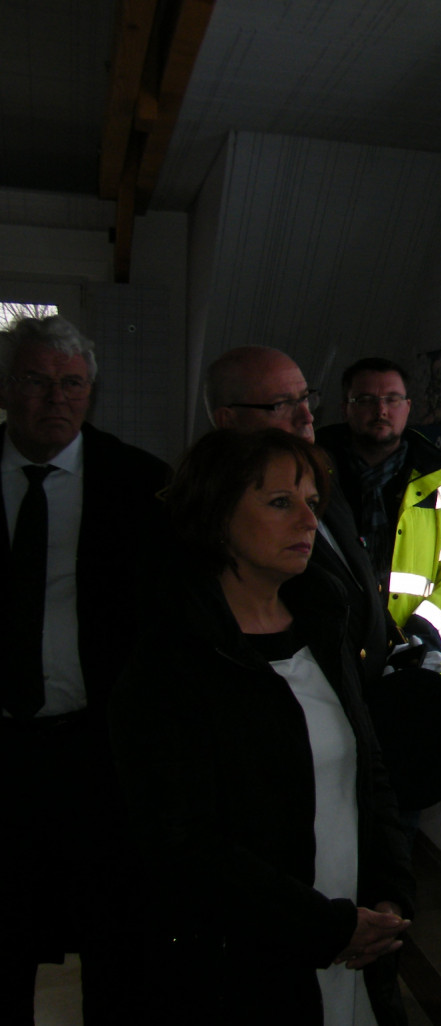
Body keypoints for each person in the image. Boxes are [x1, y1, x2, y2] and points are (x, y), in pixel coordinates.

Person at [110, 428, 414, 1026]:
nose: (308, 519)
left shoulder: (324, 622)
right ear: (217, 514)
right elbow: (184, 845)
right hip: (243, 966)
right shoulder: (169, 659)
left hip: (353, 946)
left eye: (310, 500)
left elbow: (369, 773)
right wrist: (326, 927)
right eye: (280, 502)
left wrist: (390, 896)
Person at [0, 314, 168, 1023]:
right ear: (8, 388)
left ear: (91, 393)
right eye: (38, 381)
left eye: (73, 384)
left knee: (117, 948)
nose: (56, 399)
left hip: (100, 755)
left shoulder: (139, 485)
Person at [206, 346, 390, 686]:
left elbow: (354, 577)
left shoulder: (325, 472)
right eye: (281, 405)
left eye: (306, 399)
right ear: (227, 421)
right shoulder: (213, 522)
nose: (306, 417)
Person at [316, 357, 441, 681]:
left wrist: (424, 634)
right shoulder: (311, 480)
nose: (381, 410)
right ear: (345, 408)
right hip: (332, 659)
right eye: (366, 400)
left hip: (415, 661)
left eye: (392, 399)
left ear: (407, 407)